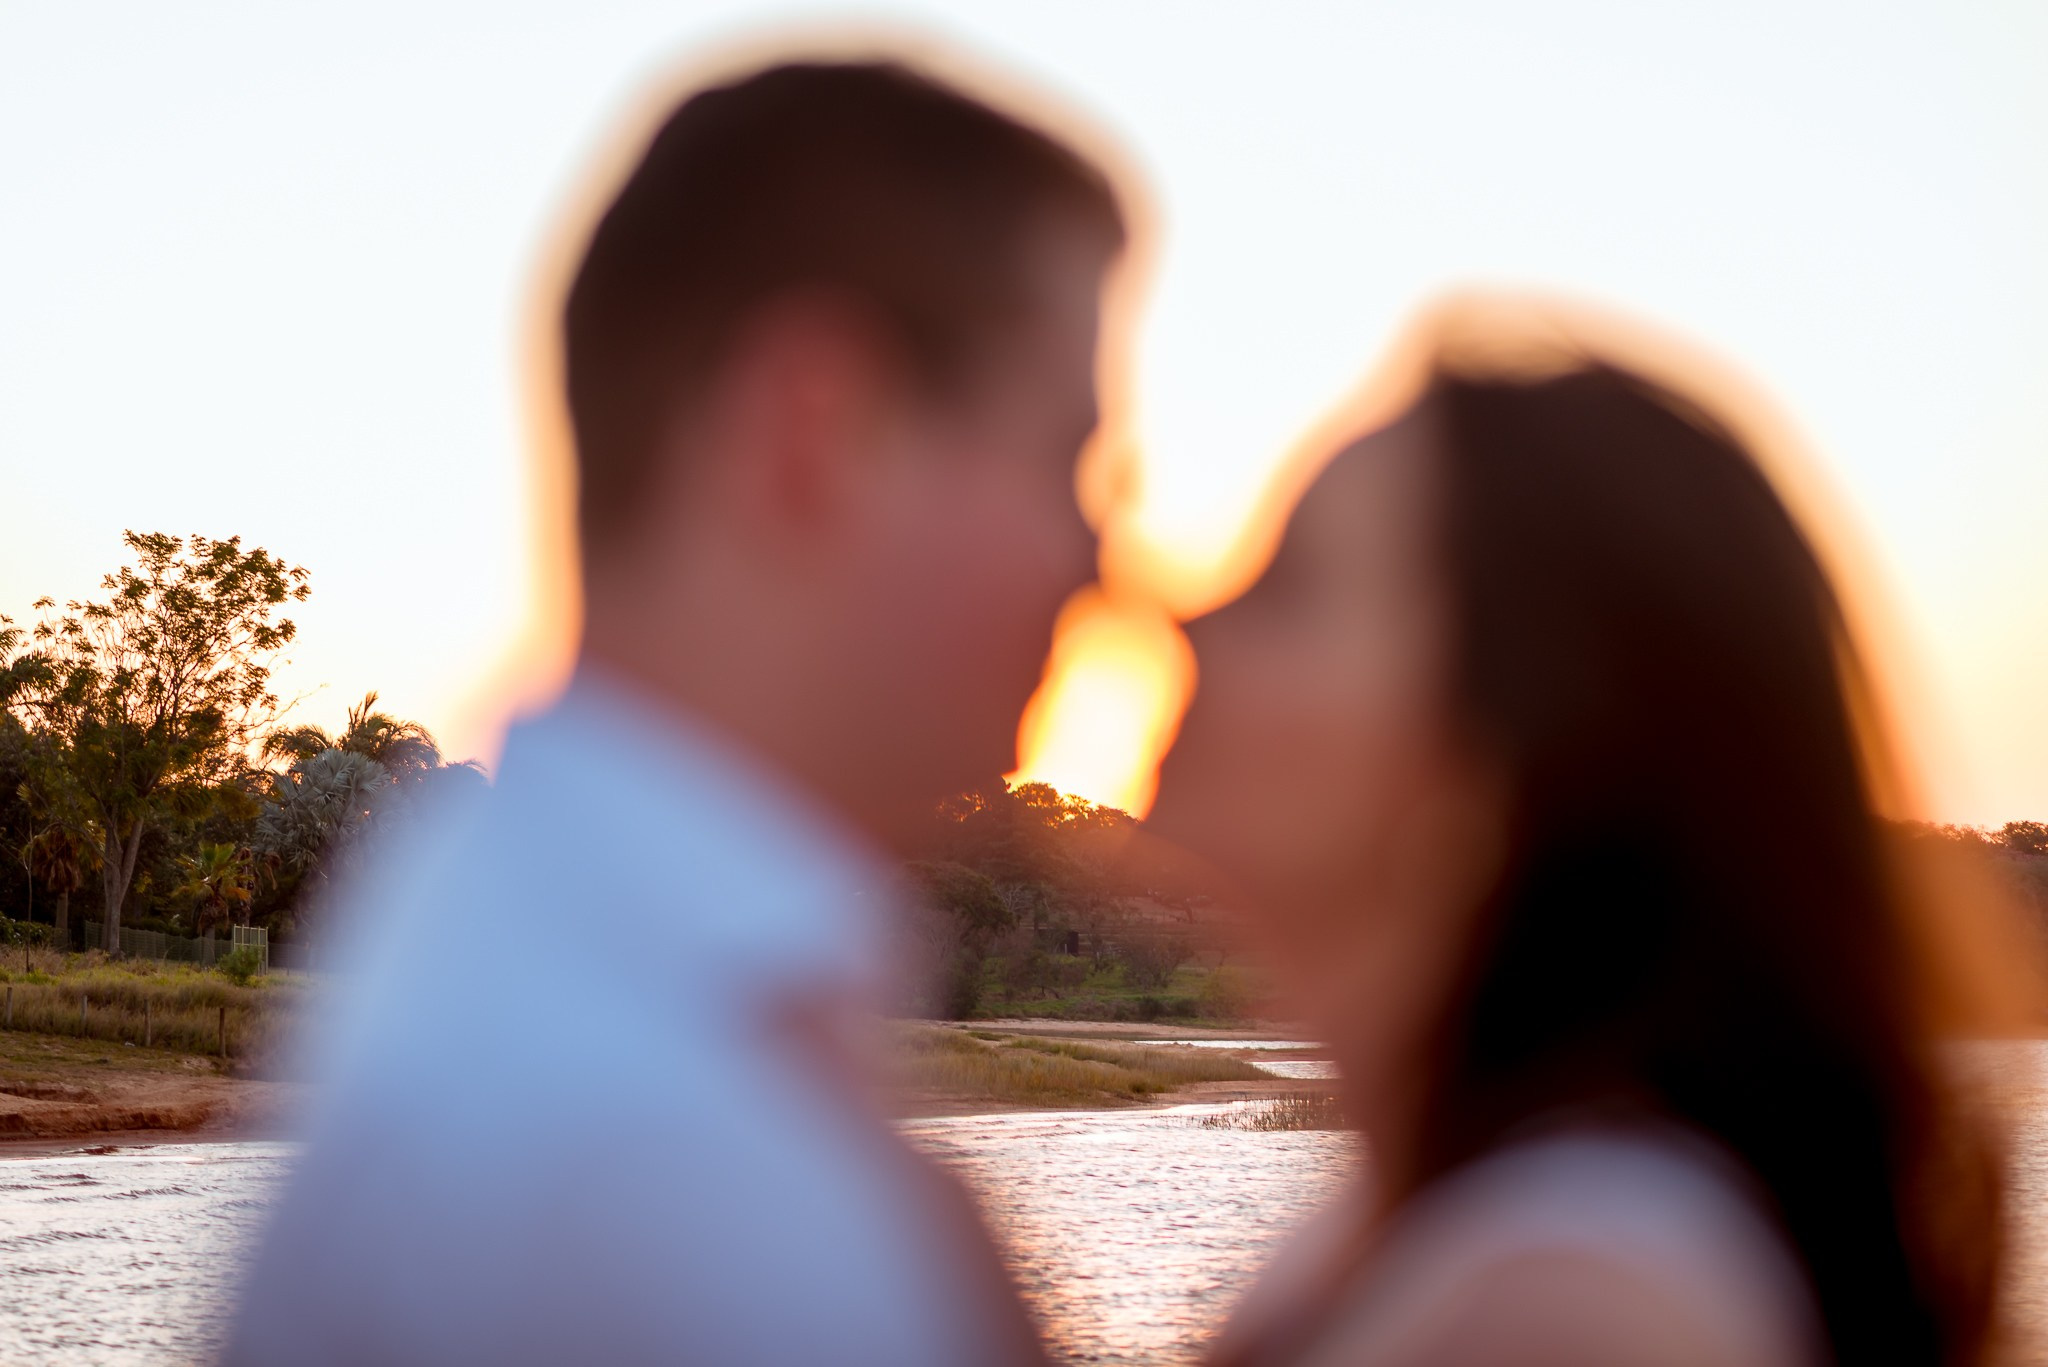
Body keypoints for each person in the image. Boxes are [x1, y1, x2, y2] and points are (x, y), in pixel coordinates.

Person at [229, 58, 1124, 1366]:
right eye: (1067, 460)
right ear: (816, 429)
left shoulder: (529, 942)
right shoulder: (658, 1166)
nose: (1097, 559)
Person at [1154, 309, 2018, 1367]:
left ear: (1495, 765)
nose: (1182, 618)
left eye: (1286, 588)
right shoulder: (1379, 1238)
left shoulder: (1566, 1309)